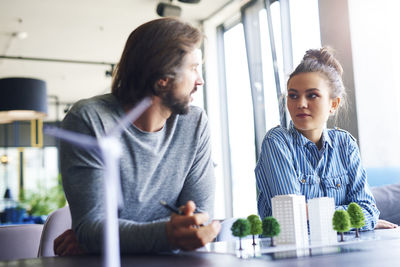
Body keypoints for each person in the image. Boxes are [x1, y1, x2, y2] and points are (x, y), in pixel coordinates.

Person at [54, 17, 221, 255]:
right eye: (193, 68)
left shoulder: (194, 124)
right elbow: (93, 230)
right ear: (162, 79)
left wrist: (110, 238)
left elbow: (199, 221)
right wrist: (167, 235)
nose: (200, 81)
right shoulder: (89, 120)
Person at [255, 47, 397, 230]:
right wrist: (353, 219)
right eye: (293, 96)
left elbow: (369, 211)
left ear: (333, 104)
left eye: (312, 95)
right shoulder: (276, 142)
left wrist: (309, 212)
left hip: (344, 251)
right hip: (290, 255)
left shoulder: (346, 144)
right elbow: (291, 219)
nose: (301, 104)